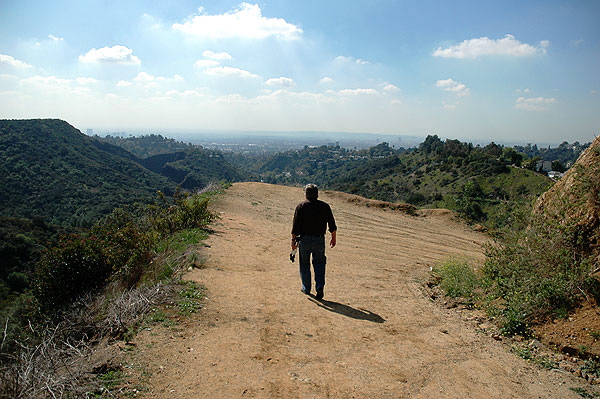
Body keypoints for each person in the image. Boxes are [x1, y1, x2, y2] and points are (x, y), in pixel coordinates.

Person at [291, 184, 337, 299]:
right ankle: (319, 286)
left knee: (304, 264)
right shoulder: (325, 206)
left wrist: (293, 241)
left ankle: (306, 288)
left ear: (306, 194)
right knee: (320, 263)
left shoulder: (301, 206)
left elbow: (295, 227)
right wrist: (333, 237)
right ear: (317, 194)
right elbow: (332, 224)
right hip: (319, 239)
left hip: (304, 240)